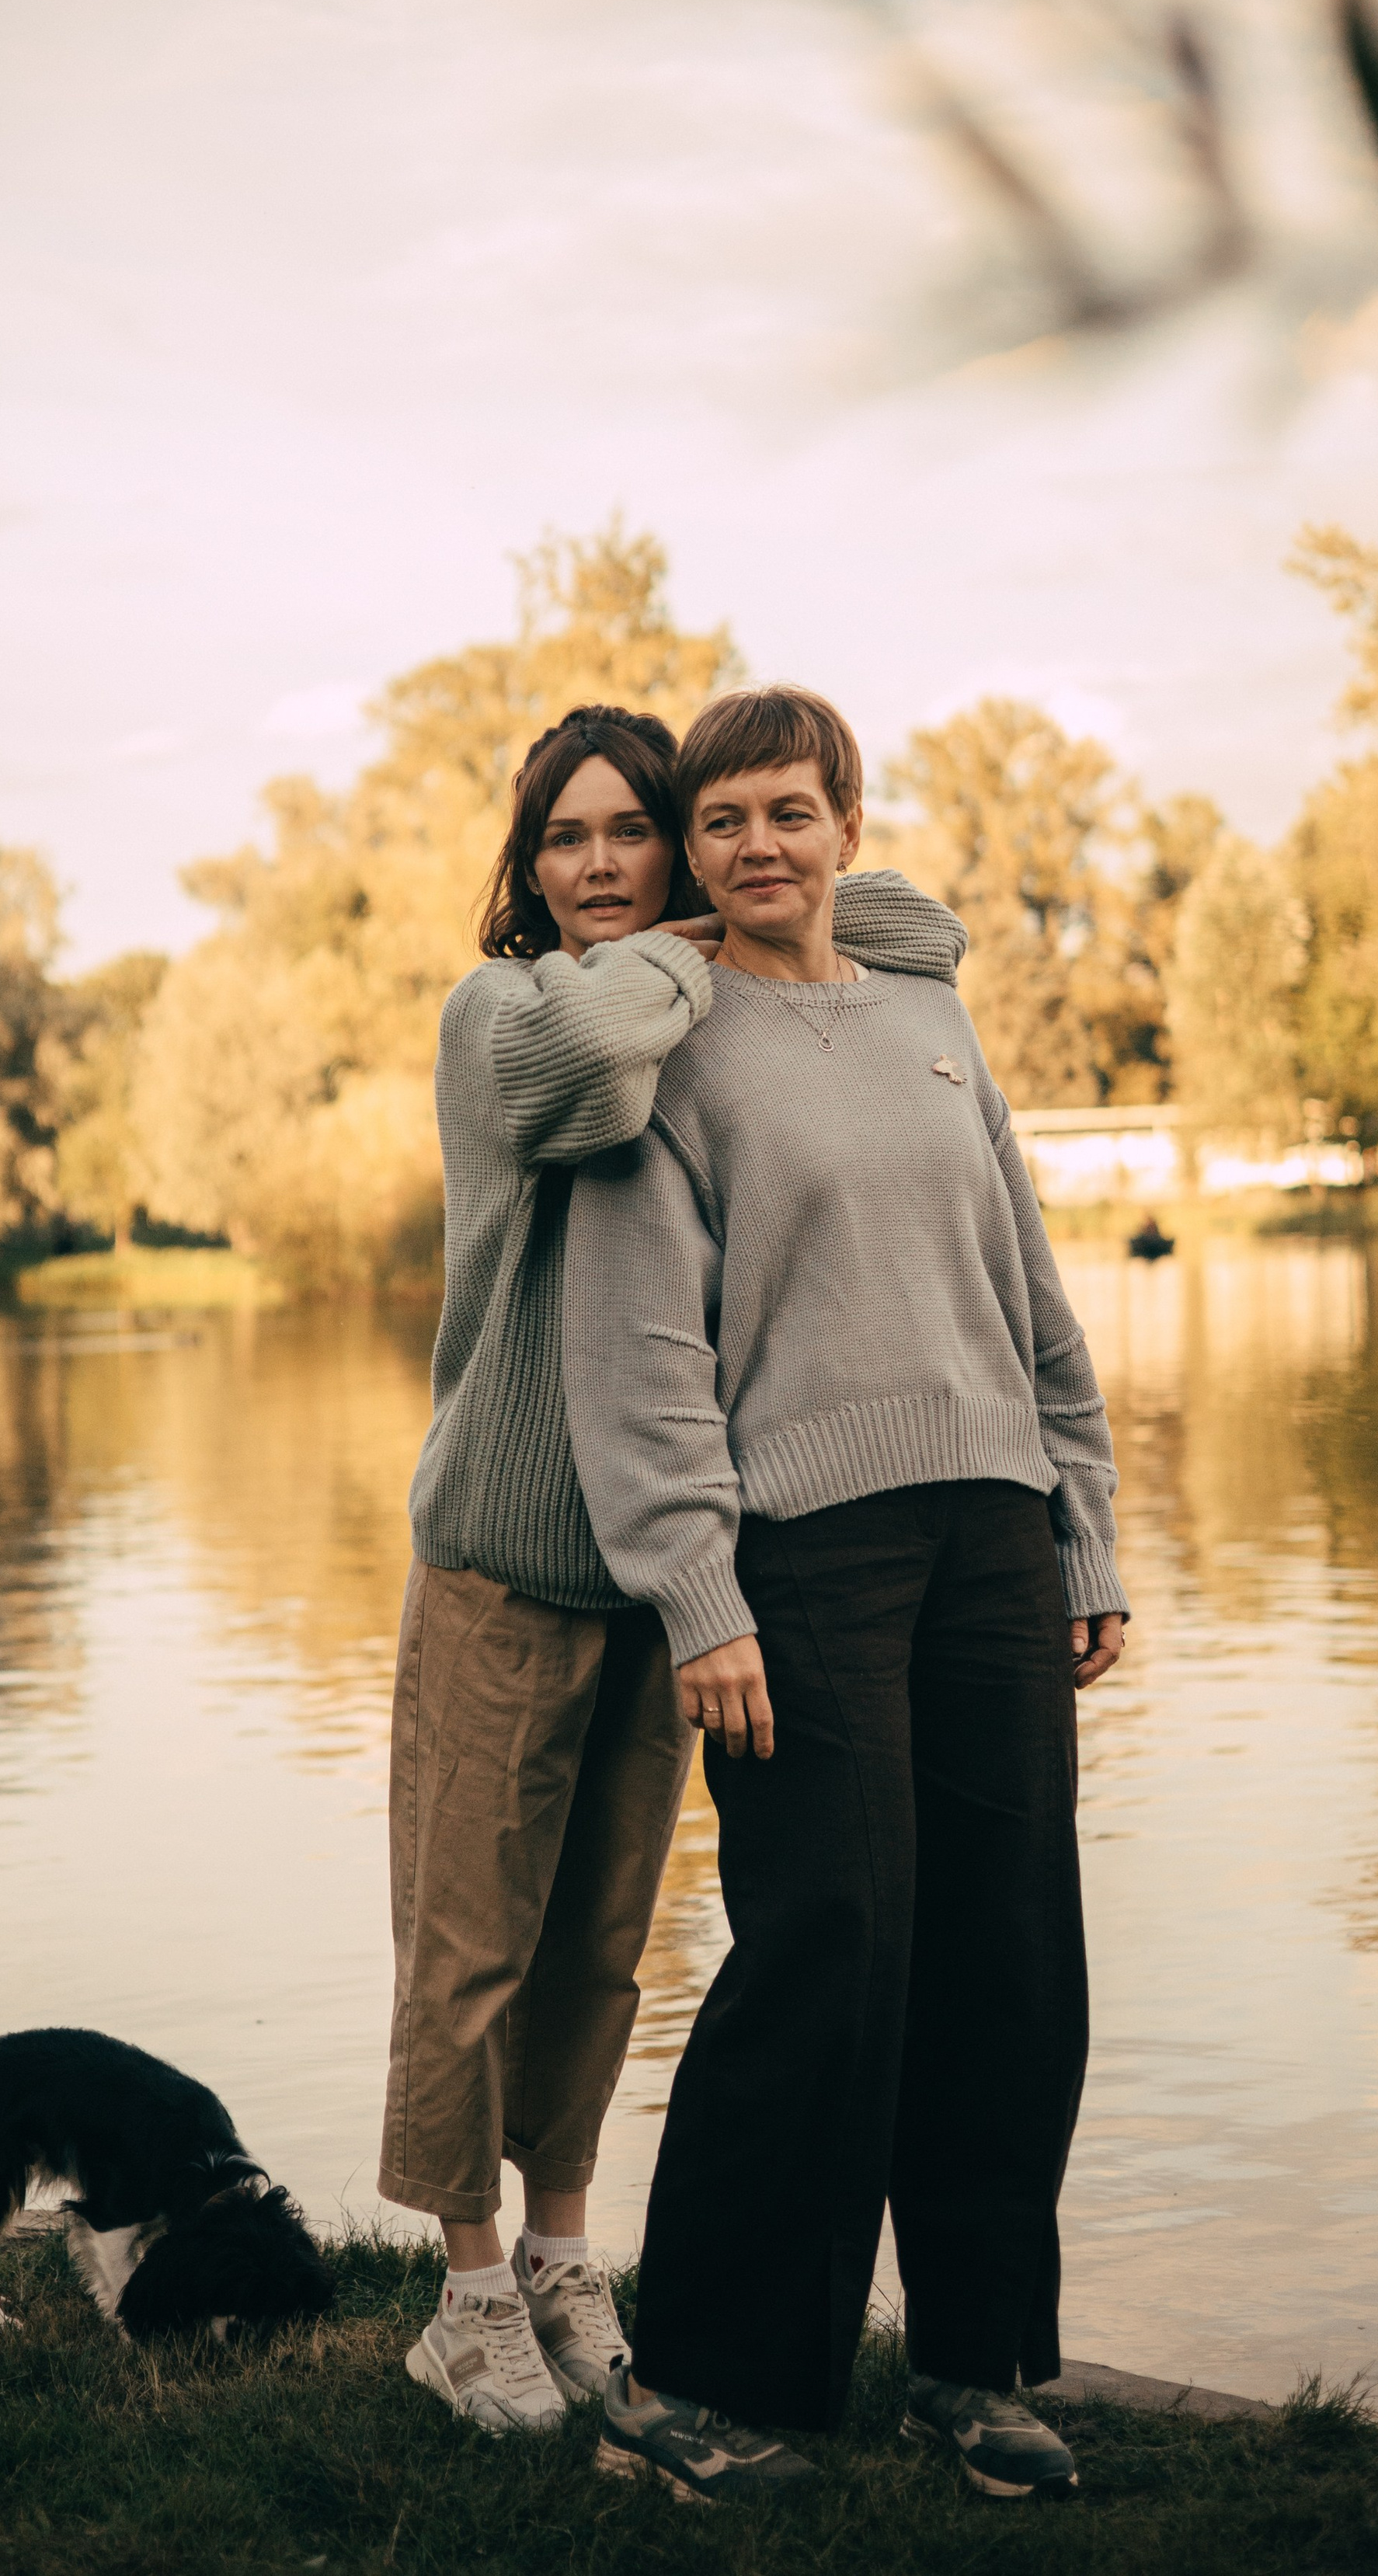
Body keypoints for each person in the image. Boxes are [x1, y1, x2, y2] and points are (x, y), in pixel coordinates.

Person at [561, 681, 1128, 2506]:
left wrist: (1084, 1529)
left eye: (789, 813)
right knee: (827, 1950)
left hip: (988, 1531)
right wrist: (695, 1595)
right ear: (692, 852)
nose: (756, 848)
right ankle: (699, 2382)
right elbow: (641, 1347)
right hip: (799, 1551)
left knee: (1007, 1957)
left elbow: (1027, 1293)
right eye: (718, 822)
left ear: (845, 826)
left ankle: (969, 2367)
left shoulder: (932, 1019)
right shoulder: (666, 1042)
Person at [382, 698, 966, 2434]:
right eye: (560, 840)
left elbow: (924, 934)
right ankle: (464, 2290)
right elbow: (577, 1082)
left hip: (660, 1565)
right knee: (464, 1946)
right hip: (501, 1558)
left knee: (599, 1953)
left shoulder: (680, 983)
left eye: (629, 832)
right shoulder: (503, 1013)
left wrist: (742, 906)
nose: (593, 868)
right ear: (525, 867)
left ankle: (567, 2262)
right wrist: (702, 946)